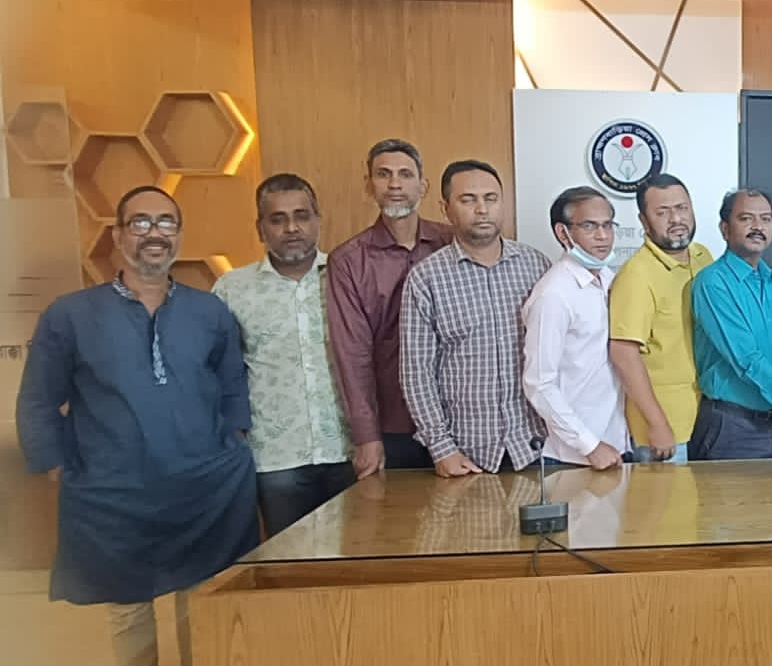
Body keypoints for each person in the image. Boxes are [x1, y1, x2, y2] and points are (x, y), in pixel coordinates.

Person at [17, 186, 258, 666]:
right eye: (141, 222)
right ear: (118, 235)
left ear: (179, 234)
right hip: (114, 491)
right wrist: (54, 465)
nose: (154, 233)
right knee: (128, 607)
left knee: (200, 599)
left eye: (166, 222)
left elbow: (233, 386)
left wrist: (233, 442)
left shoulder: (209, 311)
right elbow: (38, 399)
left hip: (200, 487)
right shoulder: (70, 315)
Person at [212, 173, 353, 535]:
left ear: (317, 220)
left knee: (360, 557)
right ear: (260, 229)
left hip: (349, 449)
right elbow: (217, 371)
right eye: (278, 219)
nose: (292, 228)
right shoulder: (232, 289)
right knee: (289, 559)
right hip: (276, 458)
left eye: (302, 216)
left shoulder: (346, 277)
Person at [400, 160, 553, 476]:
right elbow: (417, 373)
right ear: (446, 209)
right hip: (467, 453)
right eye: (468, 200)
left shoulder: (536, 266)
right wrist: (442, 448)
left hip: (538, 446)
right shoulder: (426, 279)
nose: (482, 209)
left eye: (491, 198)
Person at [327, 139, 453, 477]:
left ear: (423, 186)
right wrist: (366, 436)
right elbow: (353, 354)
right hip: (395, 420)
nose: (395, 184)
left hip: (459, 414)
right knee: (399, 511)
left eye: (405, 174)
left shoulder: (452, 243)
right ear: (369, 185)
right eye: (383, 174)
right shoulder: (349, 260)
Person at [689, 190, 772, 459]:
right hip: (734, 428)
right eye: (746, 218)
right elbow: (748, 361)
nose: (758, 226)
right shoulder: (712, 283)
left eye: (765, 219)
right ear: (725, 229)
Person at [521, 186, 630, 469]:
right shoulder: (553, 295)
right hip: (574, 456)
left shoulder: (609, 279)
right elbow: (539, 384)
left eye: (608, 225)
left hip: (618, 443)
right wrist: (589, 444)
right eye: (590, 226)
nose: (603, 236)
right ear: (563, 233)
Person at [608, 174, 715, 463]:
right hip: (665, 428)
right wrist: (657, 424)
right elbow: (623, 353)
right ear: (644, 221)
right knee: (666, 495)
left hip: (706, 417)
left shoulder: (702, 256)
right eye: (662, 212)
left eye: (682, 208)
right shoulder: (637, 274)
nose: (676, 219)